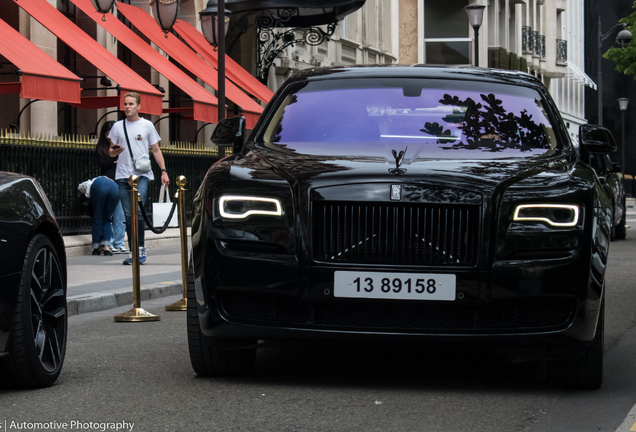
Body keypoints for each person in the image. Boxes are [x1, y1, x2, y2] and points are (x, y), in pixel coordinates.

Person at [108, 92, 169, 265]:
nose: (127, 107)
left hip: (141, 175)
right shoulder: (118, 126)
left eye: (131, 104)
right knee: (128, 215)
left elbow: (156, 150)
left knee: (137, 210)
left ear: (138, 106)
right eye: (125, 104)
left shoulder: (147, 125)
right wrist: (114, 152)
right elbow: (110, 150)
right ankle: (134, 250)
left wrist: (163, 171)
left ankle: (141, 248)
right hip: (122, 175)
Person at [95, 121, 128, 254]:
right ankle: (110, 241)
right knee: (109, 214)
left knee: (120, 215)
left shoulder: (122, 145)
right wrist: (111, 157)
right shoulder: (101, 148)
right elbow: (102, 165)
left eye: (112, 134)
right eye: (108, 134)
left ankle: (119, 243)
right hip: (108, 182)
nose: (110, 137)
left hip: (121, 180)